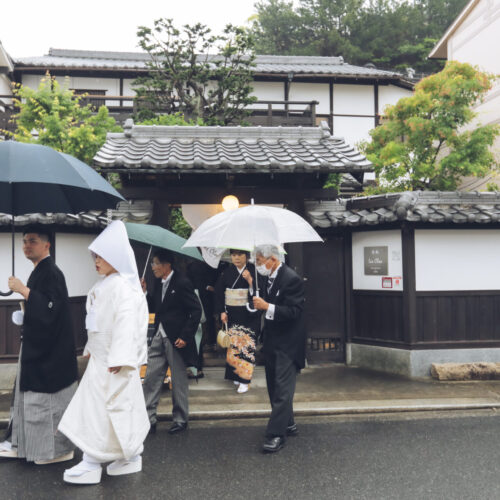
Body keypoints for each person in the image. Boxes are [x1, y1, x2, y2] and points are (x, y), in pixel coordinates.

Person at [58, 220, 150, 484]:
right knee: (105, 410)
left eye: (101, 256)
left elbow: (126, 324)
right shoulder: (107, 284)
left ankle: (92, 461)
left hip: (114, 360)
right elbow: (97, 323)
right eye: (95, 256)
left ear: (116, 257)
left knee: (104, 410)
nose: (96, 261)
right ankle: (127, 456)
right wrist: (91, 346)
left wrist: (121, 358)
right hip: (103, 358)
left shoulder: (122, 287)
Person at [0, 226, 78, 464]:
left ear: (47, 245)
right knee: (27, 399)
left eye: (32, 241)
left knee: (48, 402)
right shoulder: (39, 271)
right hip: (37, 347)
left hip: (51, 353)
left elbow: (51, 309)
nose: (26, 245)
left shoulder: (52, 272)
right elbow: (41, 307)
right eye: (24, 241)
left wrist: (23, 290)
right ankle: (22, 443)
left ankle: (58, 450)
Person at [252, 244, 306, 453]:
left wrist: (267, 307)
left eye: (259, 261)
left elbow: (294, 312)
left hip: (288, 344)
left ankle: (275, 434)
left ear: (272, 259)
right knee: (274, 387)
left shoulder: (292, 279)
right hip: (272, 342)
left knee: (283, 390)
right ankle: (289, 423)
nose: (258, 266)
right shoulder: (267, 278)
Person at [141, 249, 202, 435]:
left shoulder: (182, 282)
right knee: (151, 376)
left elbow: (196, 311)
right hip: (159, 335)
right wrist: (144, 292)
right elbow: (155, 307)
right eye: (152, 264)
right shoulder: (158, 282)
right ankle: (148, 419)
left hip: (176, 338)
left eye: (156, 263)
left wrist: (185, 336)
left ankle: (180, 419)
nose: (153, 267)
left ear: (166, 265)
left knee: (178, 380)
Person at [215, 249, 262, 394]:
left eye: (240, 255)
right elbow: (219, 291)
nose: (236, 258)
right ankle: (235, 373)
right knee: (234, 344)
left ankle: (244, 380)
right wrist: (222, 311)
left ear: (246, 256)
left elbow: (261, 292)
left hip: (249, 314)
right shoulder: (226, 272)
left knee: (246, 344)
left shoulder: (254, 271)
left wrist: (250, 281)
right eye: (233, 255)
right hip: (232, 313)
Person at [187, 259, 218, 377]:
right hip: (202, 299)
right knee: (197, 336)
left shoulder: (192, 266)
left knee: (195, 336)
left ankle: (195, 368)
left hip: (196, 299)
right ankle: (197, 368)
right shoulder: (202, 265)